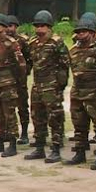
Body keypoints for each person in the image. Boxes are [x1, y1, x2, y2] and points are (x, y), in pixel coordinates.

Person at [64, 19, 96, 170]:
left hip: (95, 93)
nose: (80, 35)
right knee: (79, 124)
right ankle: (80, 153)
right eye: (78, 32)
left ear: (92, 33)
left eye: (83, 32)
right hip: (77, 93)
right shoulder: (73, 50)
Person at [23, 10, 69, 164]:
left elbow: (64, 66)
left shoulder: (57, 43)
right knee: (37, 117)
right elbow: (30, 62)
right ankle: (39, 147)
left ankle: (56, 148)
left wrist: (59, 86)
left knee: (55, 117)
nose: (39, 29)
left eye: (42, 26)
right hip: (37, 85)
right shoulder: (33, 43)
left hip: (52, 85)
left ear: (49, 27)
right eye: (37, 26)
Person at [0, 14, 27, 157]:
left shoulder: (11, 43)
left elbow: (21, 65)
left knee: (10, 114)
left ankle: (12, 144)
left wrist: (17, 82)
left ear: (3, 27)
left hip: (8, 84)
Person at [6, 15, 32, 144]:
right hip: (6, 80)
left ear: (16, 27)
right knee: (7, 107)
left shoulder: (22, 41)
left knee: (22, 106)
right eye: (7, 26)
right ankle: (9, 132)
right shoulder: (2, 41)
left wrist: (25, 72)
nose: (9, 29)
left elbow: (29, 58)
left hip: (19, 80)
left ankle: (25, 132)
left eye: (11, 26)